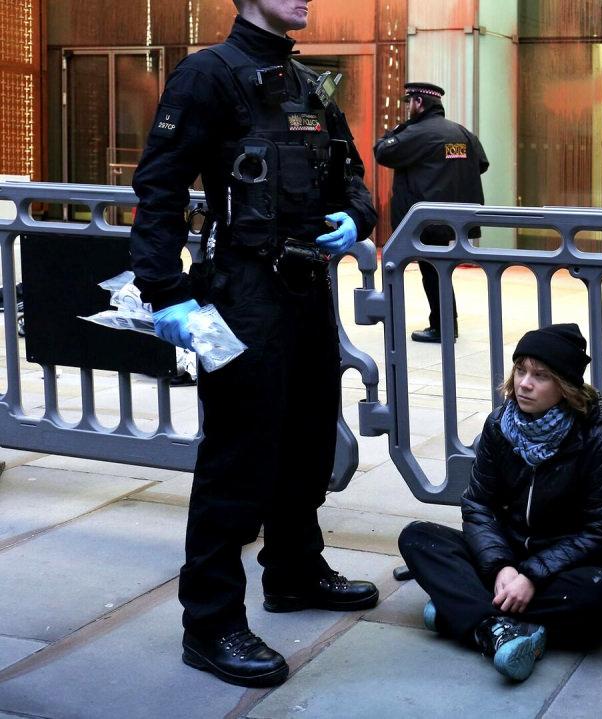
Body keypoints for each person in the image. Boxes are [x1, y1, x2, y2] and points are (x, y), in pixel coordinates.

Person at [129, 0, 380, 688]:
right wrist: (165, 289)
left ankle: (294, 572)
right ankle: (210, 623)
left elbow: (352, 177)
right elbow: (159, 187)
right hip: (243, 291)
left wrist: (354, 216)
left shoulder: (306, 84)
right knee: (238, 458)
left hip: (306, 288)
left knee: (307, 439)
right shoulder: (207, 74)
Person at [398, 323, 602, 682]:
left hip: (566, 568)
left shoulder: (597, 438)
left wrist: (532, 576)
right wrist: (502, 568)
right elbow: (478, 506)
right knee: (418, 537)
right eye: (520, 370)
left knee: (599, 593)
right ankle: (498, 627)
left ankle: (464, 613)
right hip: (506, 555)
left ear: (565, 386)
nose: (524, 383)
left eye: (541, 375)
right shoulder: (499, 425)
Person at [374, 82, 488, 344]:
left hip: (426, 219)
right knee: (439, 269)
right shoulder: (462, 132)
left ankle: (443, 327)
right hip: (456, 217)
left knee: (432, 271)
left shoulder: (416, 133)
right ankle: (445, 323)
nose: (408, 108)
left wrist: (399, 129)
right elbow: (480, 164)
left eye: (409, 102)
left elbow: (382, 151)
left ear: (419, 102)